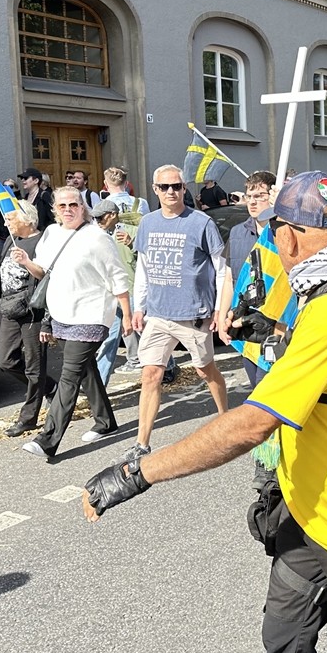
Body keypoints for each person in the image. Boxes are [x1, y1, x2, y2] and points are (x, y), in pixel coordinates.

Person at [82, 172, 327, 653]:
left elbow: (249, 425)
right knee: (285, 646)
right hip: (306, 508)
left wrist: (138, 472)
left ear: (287, 236)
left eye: (272, 231)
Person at [14, 186, 132, 459]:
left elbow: (117, 277)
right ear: (55, 209)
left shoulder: (97, 237)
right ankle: (106, 422)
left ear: (84, 207)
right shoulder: (52, 234)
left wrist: (126, 314)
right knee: (86, 369)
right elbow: (42, 271)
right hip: (62, 314)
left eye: (74, 204)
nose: (68, 209)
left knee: (69, 375)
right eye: (62, 205)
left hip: (91, 315)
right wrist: (25, 261)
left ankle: (48, 439)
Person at [124, 165, 229, 463]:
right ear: (155, 190)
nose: (171, 192)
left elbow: (221, 271)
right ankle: (142, 443)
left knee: (204, 370)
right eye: (165, 187)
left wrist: (220, 310)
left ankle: (224, 419)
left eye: (177, 186)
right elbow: (143, 268)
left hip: (193, 314)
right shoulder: (147, 223)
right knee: (151, 375)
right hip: (158, 314)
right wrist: (139, 306)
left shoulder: (201, 222)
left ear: (184, 188)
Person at [0, 199, 54, 437]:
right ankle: (51, 387)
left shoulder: (42, 241)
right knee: (6, 361)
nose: (6, 222)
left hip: (33, 311)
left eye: (11, 218)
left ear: (27, 220)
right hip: (10, 309)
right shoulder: (11, 239)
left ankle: (29, 417)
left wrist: (47, 322)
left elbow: (48, 279)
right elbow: (5, 274)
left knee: (34, 367)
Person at [218, 170, 277, 388]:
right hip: (244, 322)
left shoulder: (283, 232)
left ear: (271, 197)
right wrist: (223, 316)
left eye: (260, 196)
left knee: (267, 390)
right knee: (255, 385)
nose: (252, 202)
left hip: (275, 323)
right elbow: (229, 278)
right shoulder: (237, 232)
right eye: (249, 196)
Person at [91, 199, 145, 385]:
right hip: (110, 294)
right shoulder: (97, 235)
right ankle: (99, 383)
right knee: (109, 338)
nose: (97, 221)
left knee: (143, 330)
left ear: (112, 215)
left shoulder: (132, 232)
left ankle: (168, 365)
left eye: (100, 218)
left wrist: (132, 244)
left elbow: (146, 260)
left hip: (130, 291)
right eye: (95, 218)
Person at [17, 167, 55, 231]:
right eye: (22, 178)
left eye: (26, 178)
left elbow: (53, 217)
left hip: (41, 235)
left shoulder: (44, 195)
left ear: (36, 181)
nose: (23, 180)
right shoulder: (26, 197)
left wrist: (44, 231)